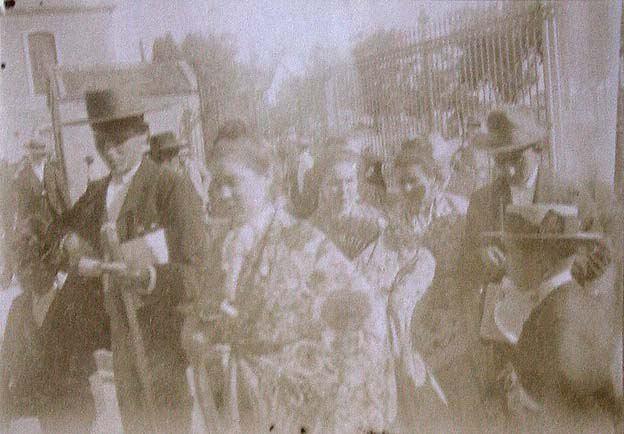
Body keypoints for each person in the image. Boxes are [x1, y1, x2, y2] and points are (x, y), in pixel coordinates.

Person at [182, 119, 392, 433]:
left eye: (231, 181)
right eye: (215, 181)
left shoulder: (304, 244)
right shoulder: (223, 245)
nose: (220, 193)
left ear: (266, 177)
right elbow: (213, 317)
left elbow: (367, 322)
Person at [52, 89, 207, 433]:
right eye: (101, 141)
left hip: (161, 339)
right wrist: (73, 249)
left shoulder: (170, 188)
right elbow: (57, 236)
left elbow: (200, 271)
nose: (109, 151)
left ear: (144, 135)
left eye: (119, 141)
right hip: (119, 339)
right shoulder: (95, 194)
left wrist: (150, 277)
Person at [461, 107, 620, 417]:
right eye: (500, 161)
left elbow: (600, 253)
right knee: (516, 411)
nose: (507, 171)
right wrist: (482, 258)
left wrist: (568, 270)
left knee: (559, 407)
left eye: (516, 159)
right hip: (506, 324)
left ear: (538, 151)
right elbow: (466, 258)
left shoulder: (569, 193)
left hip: (558, 324)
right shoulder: (482, 201)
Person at [0, 216, 108, 433]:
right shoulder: (19, 308)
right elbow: (6, 362)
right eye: (23, 265)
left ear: (50, 261)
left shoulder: (71, 302)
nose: (28, 272)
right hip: (38, 409)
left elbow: (84, 370)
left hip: (70, 410)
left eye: (34, 263)